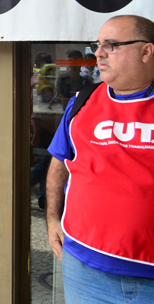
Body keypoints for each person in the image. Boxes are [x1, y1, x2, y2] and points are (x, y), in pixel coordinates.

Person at [46, 15, 154, 302]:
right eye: (97, 45)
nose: (99, 53)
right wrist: (53, 219)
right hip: (83, 269)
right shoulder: (83, 101)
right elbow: (60, 162)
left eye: (112, 45)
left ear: (146, 51)